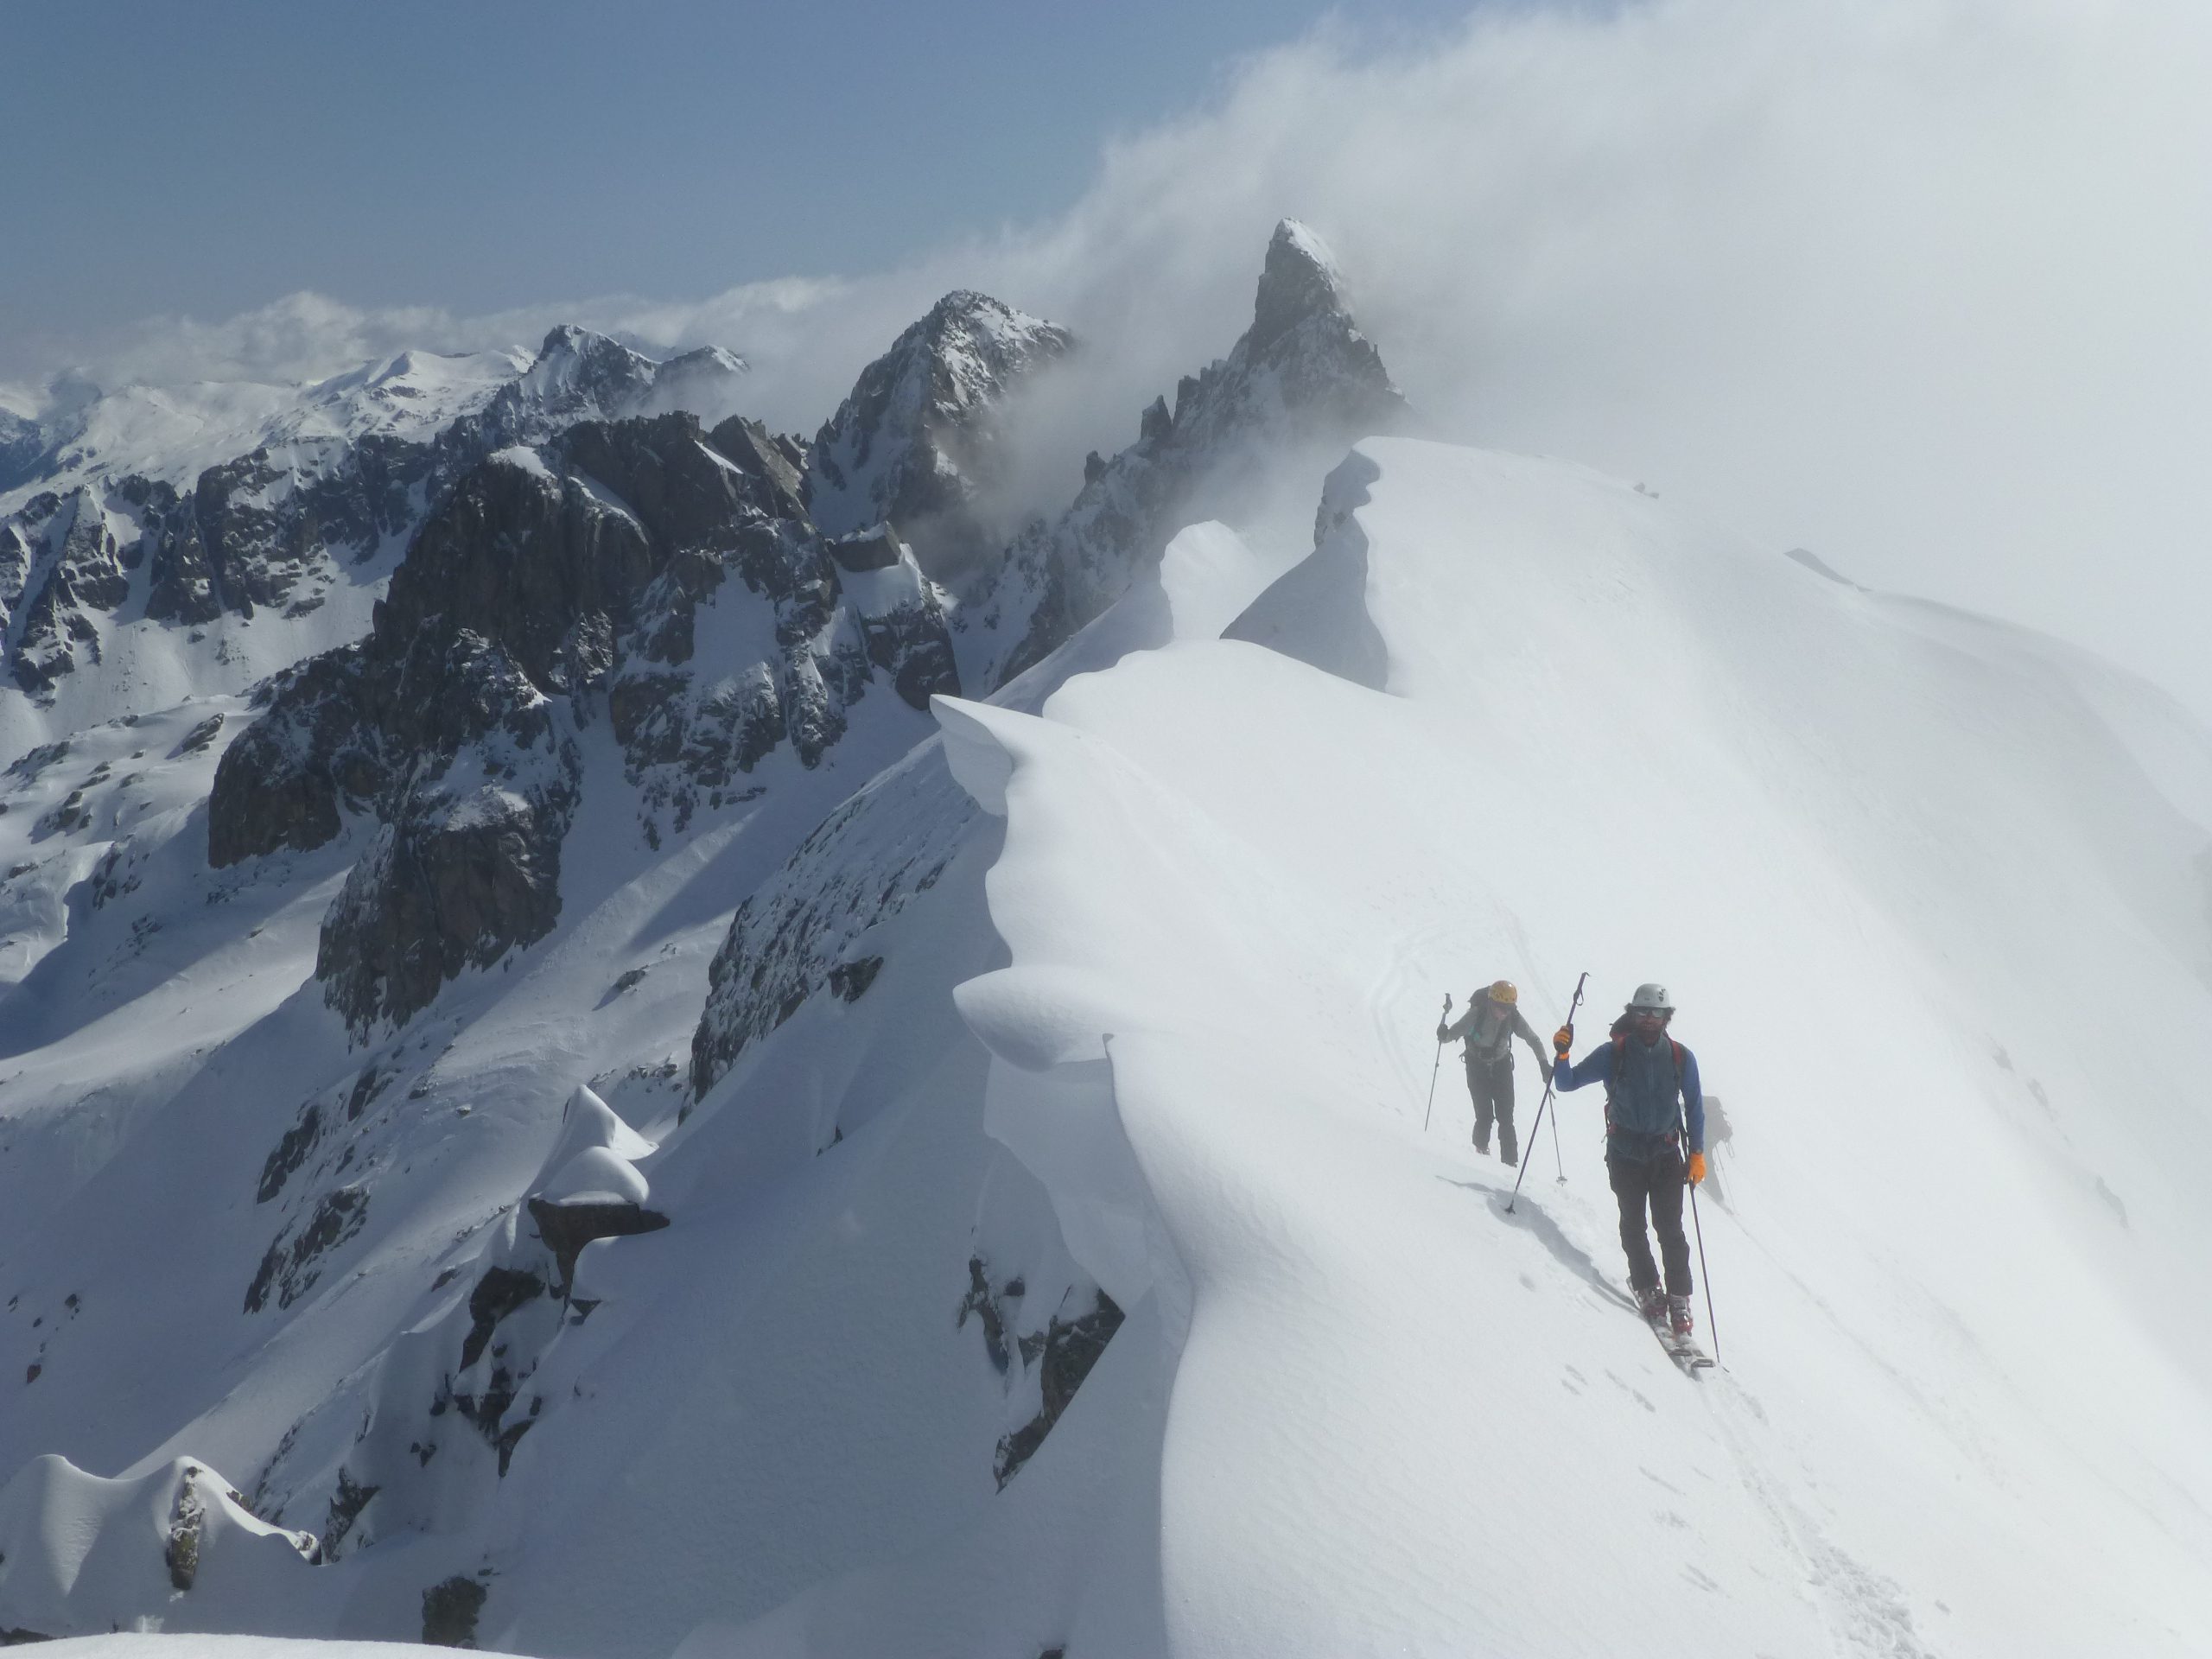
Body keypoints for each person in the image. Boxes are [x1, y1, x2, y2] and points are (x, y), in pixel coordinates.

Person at [1549, 982, 1707, 1337]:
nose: (1649, 1019)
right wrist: (1561, 1056)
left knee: (1670, 1230)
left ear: (1667, 1018)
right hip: (1625, 1154)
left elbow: (1695, 1108)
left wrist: (1696, 1154)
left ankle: (1679, 1298)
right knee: (1633, 1225)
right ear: (1632, 1014)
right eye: (1643, 1012)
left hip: (1666, 1155)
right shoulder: (1614, 1054)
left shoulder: (1681, 1057)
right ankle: (1649, 1288)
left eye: (1656, 1013)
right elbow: (1567, 1083)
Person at [1437, 980, 1552, 1165]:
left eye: (1508, 1008)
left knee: (1506, 1117)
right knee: (1484, 1114)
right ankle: (1480, 1154)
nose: (1505, 1013)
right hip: (1476, 1066)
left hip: (1501, 1066)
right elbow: (1453, 1034)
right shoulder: (1476, 1014)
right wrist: (1444, 1034)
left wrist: (1543, 1063)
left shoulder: (1513, 1017)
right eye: (1502, 1008)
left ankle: (1510, 1164)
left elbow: (1534, 1039)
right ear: (1491, 1003)